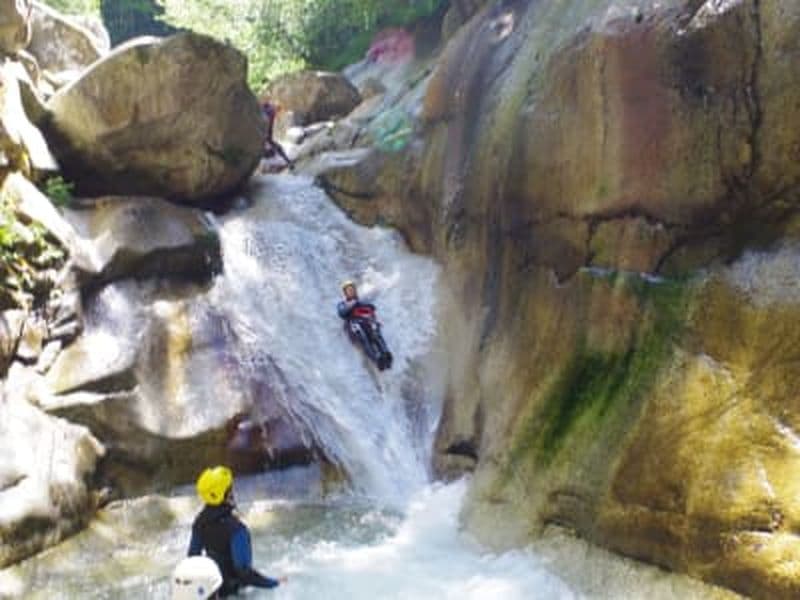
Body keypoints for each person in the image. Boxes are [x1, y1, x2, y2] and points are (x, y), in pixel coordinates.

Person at [188, 466, 286, 597]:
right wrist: (274, 583)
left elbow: (192, 559)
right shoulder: (237, 530)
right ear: (225, 494)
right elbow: (244, 573)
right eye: (230, 489)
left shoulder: (199, 523)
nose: (232, 492)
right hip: (235, 593)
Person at [337, 280, 393, 370]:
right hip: (355, 326)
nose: (351, 291)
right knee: (361, 334)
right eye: (348, 290)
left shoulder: (362, 301)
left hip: (367, 323)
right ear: (345, 293)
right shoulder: (343, 304)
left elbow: (371, 307)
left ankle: (386, 353)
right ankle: (377, 359)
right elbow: (342, 313)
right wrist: (354, 303)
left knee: (375, 329)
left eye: (352, 289)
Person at [261, 101, 294, 170]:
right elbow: (269, 125)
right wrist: (268, 135)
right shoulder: (271, 112)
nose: (277, 114)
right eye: (278, 111)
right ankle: (288, 161)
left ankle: (287, 161)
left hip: (261, 131)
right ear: (277, 109)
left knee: (272, 147)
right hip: (263, 132)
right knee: (277, 147)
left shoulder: (266, 107)